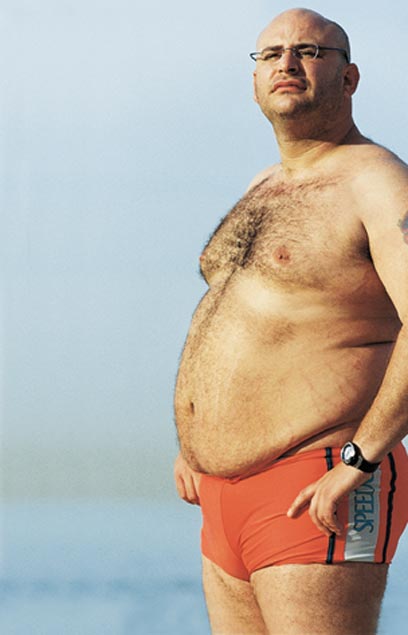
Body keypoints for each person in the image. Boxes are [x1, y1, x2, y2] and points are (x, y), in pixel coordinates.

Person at [173, 7, 408, 634]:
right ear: (254, 79)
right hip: (222, 494)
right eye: (271, 54)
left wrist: (360, 460)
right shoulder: (264, 185)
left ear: (348, 78)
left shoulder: (376, 182)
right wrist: (195, 442)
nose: (287, 63)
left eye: (309, 51)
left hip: (323, 478)